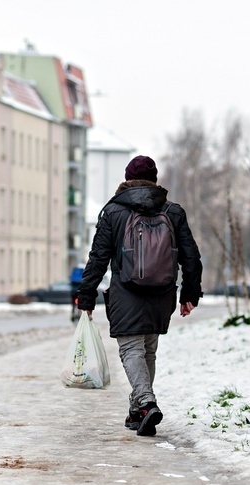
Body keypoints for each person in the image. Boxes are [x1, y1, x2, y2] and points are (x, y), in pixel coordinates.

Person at [76, 155, 202, 437]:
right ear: (155, 179)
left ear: (126, 179)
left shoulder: (113, 211)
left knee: (132, 349)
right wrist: (190, 294)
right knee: (147, 350)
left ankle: (145, 403)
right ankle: (137, 410)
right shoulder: (173, 211)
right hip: (163, 292)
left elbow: (99, 257)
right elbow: (191, 256)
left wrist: (85, 295)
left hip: (126, 292)